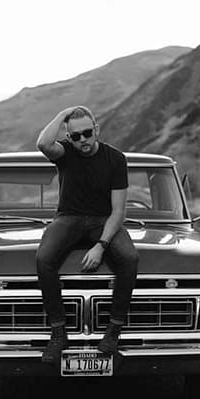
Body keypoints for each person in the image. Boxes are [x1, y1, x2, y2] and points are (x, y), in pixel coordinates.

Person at [35, 105, 138, 363]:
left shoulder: (116, 159)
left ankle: (113, 330)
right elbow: (43, 143)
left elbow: (118, 212)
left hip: (104, 219)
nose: (83, 140)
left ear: (96, 129)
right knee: (44, 259)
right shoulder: (64, 153)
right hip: (68, 218)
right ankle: (59, 332)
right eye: (76, 136)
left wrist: (101, 246)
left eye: (87, 133)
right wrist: (62, 114)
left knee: (129, 258)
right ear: (69, 137)